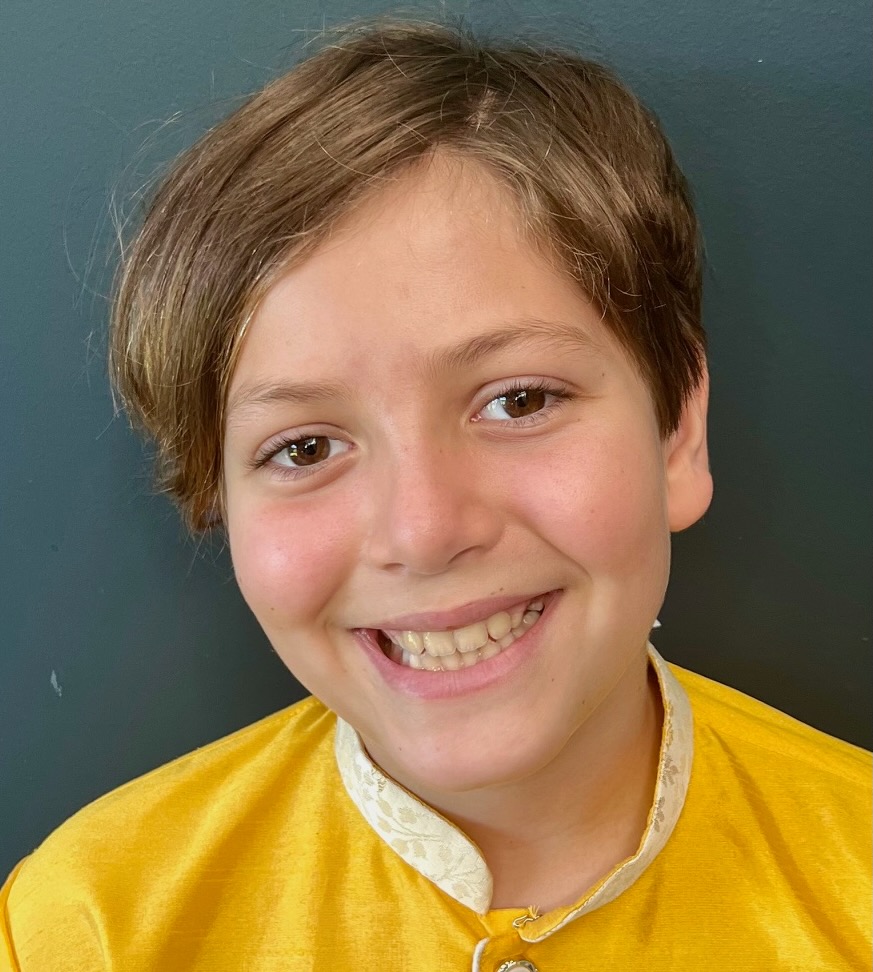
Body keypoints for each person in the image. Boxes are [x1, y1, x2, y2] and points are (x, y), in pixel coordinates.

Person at [1, 19, 869, 972]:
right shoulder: (90, 928)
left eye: (519, 400)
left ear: (678, 433)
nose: (423, 530)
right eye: (303, 448)